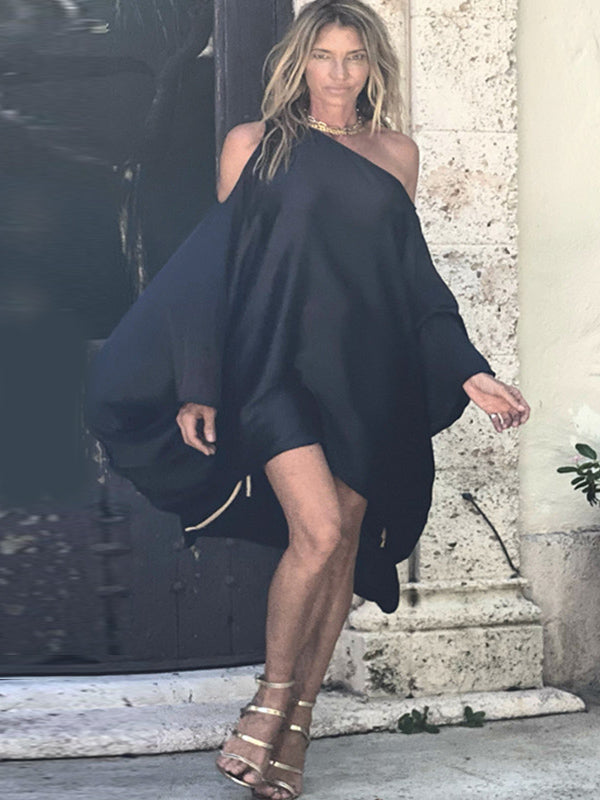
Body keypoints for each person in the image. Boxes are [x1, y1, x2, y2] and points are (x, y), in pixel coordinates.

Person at [84, 1, 531, 797]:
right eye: (323, 55)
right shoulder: (254, 144)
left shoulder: (396, 153)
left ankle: (295, 729)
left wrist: (468, 368)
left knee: (344, 542)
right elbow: (214, 272)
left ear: (373, 66)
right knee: (319, 531)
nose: (338, 72)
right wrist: (198, 382)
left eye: (354, 57)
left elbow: (412, 281)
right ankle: (270, 701)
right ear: (300, 62)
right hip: (274, 370)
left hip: (368, 379)